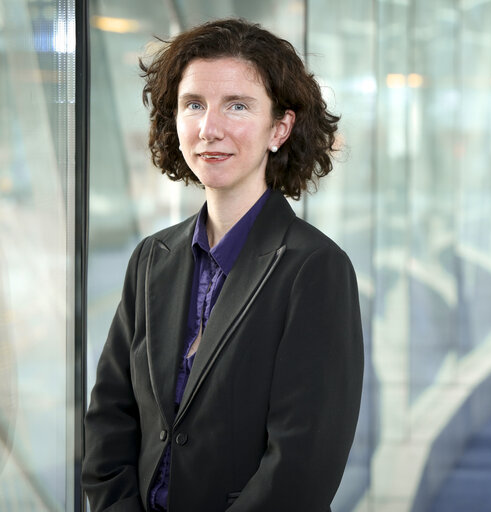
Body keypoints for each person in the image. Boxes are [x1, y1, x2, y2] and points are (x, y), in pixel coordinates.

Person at [82, 18, 364, 512]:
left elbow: (302, 465)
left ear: (280, 127)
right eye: (194, 105)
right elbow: (111, 418)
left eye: (237, 105)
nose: (209, 129)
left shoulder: (315, 269)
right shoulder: (153, 258)